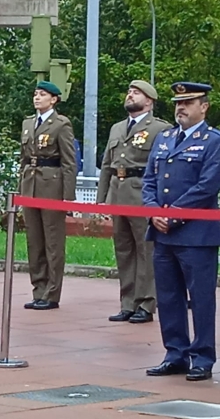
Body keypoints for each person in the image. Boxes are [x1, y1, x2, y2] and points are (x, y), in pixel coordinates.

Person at [142, 82, 220, 382]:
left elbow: (208, 185)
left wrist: (172, 215)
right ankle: (175, 353)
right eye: (178, 103)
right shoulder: (164, 139)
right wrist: (153, 211)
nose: (181, 108)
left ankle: (202, 356)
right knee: (168, 297)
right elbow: (148, 180)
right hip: (162, 233)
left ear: (204, 107)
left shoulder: (213, 141)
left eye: (188, 102)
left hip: (197, 235)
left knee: (200, 298)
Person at [97, 81, 171, 324]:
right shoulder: (117, 128)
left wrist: (160, 202)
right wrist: (102, 200)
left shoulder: (160, 128)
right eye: (129, 91)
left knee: (145, 249)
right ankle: (127, 302)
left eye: (136, 92)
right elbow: (107, 165)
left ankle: (146, 303)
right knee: (124, 250)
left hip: (143, 194)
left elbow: (162, 168)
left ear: (149, 101)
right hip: (119, 193)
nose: (130, 95)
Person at [19, 81, 77, 311]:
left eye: (42, 95)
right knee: (35, 242)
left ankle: (52, 293)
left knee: (53, 242)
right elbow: (23, 159)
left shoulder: (61, 124)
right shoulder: (28, 123)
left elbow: (69, 162)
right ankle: (38, 289)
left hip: (51, 185)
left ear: (53, 99)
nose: (37, 98)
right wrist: (20, 187)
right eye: (35, 94)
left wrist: (67, 196)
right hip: (30, 185)